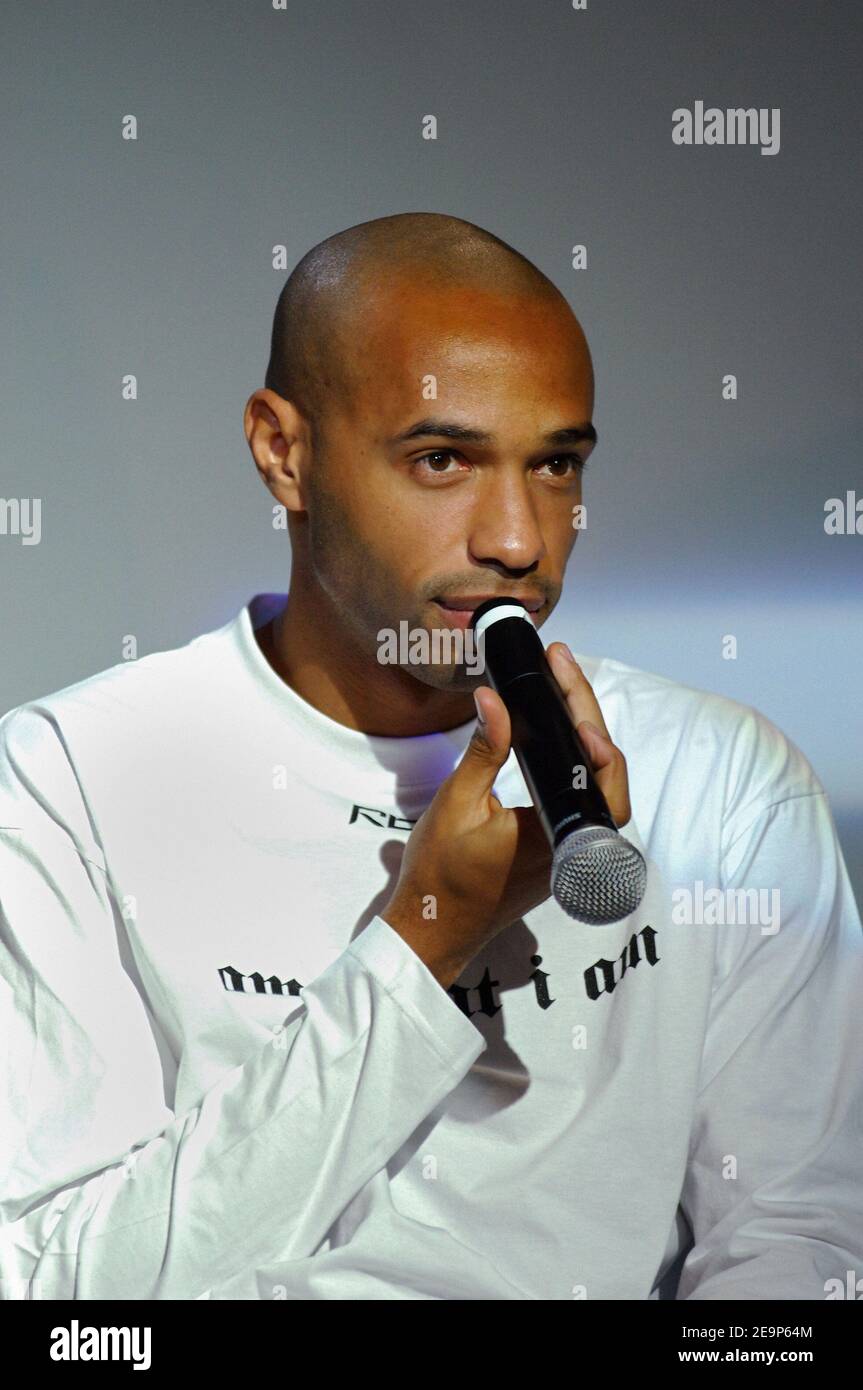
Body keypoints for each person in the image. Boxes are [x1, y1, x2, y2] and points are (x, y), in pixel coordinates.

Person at [1, 212, 861, 1302]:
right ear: (285, 451)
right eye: (442, 459)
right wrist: (421, 944)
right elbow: (67, 1303)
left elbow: (801, 1241)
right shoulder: (75, 775)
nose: (517, 539)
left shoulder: (724, 783)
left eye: (554, 464)